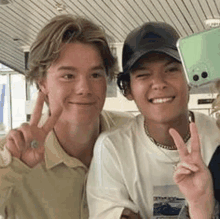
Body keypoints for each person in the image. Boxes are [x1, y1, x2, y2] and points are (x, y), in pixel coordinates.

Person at [0, 14, 134, 219]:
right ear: (42, 82)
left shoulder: (133, 136)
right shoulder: (12, 155)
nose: (84, 88)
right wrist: (13, 168)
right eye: (68, 76)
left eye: (95, 75)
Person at [86, 21, 220, 219]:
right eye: (143, 74)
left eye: (171, 70)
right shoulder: (114, 148)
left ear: (189, 79)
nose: (158, 83)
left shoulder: (217, 137)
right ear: (128, 89)